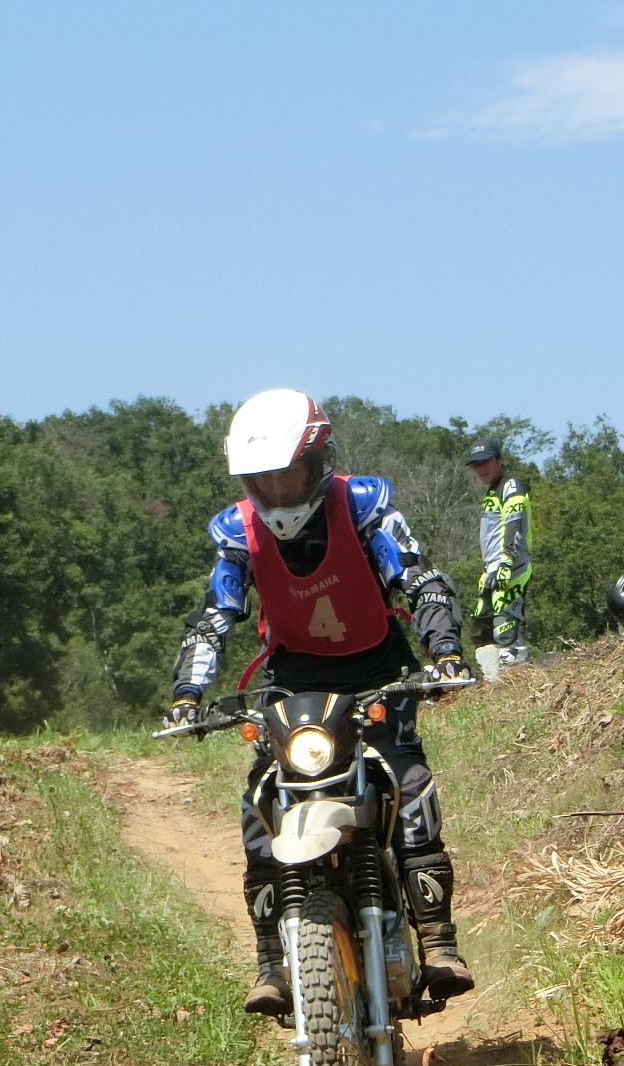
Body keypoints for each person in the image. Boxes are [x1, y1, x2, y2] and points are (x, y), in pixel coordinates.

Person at [164, 389, 476, 1015]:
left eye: (289, 473)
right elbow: (215, 614)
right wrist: (188, 694)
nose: (278, 489)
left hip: (380, 670)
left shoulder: (364, 505)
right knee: (263, 800)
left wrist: (443, 650)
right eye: (263, 478)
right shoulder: (236, 531)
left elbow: (416, 575)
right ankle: (272, 962)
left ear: (318, 460)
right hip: (294, 678)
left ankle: (438, 940)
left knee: (407, 780)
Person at [466, 439, 532, 673]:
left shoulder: (510, 485)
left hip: (511, 563)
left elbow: (514, 522)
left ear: (499, 460)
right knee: (480, 623)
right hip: (492, 566)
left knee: (505, 620)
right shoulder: (491, 492)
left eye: (486, 462)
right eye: (476, 465)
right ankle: (492, 674)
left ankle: (515, 669)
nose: (481, 469)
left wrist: (506, 560)